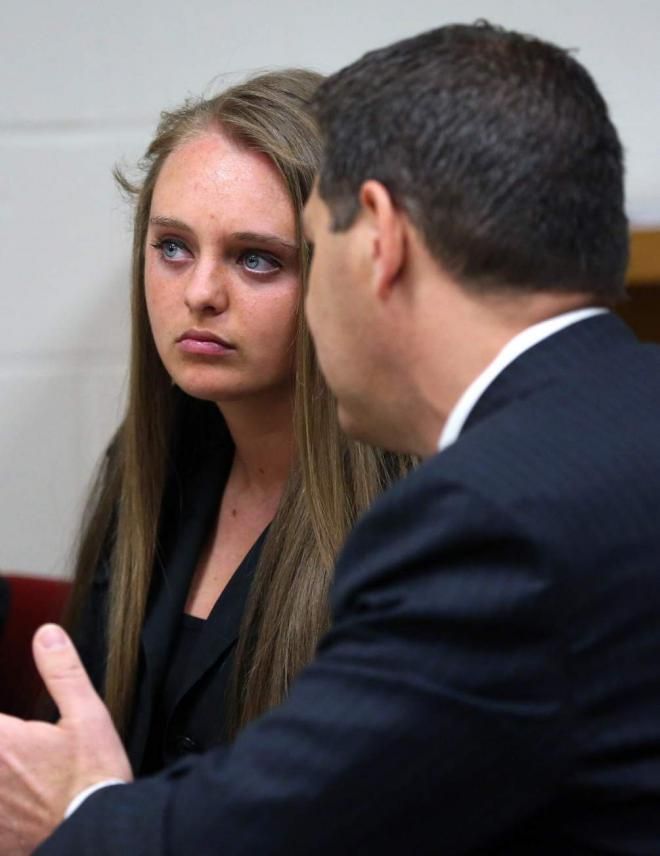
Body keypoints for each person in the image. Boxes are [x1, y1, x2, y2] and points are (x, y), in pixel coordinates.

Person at [1, 20, 660, 855]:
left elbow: (291, 829)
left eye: (271, 256)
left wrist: (76, 815)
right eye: (170, 247)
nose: (201, 293)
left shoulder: (477, 513)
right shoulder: (613, 410)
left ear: (376, 241)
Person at [48, 69, 413, 773]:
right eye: (173, 247)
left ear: (348, 275)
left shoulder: (409, 515)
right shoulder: (154, 457)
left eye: (257, 260)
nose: (201, 293)